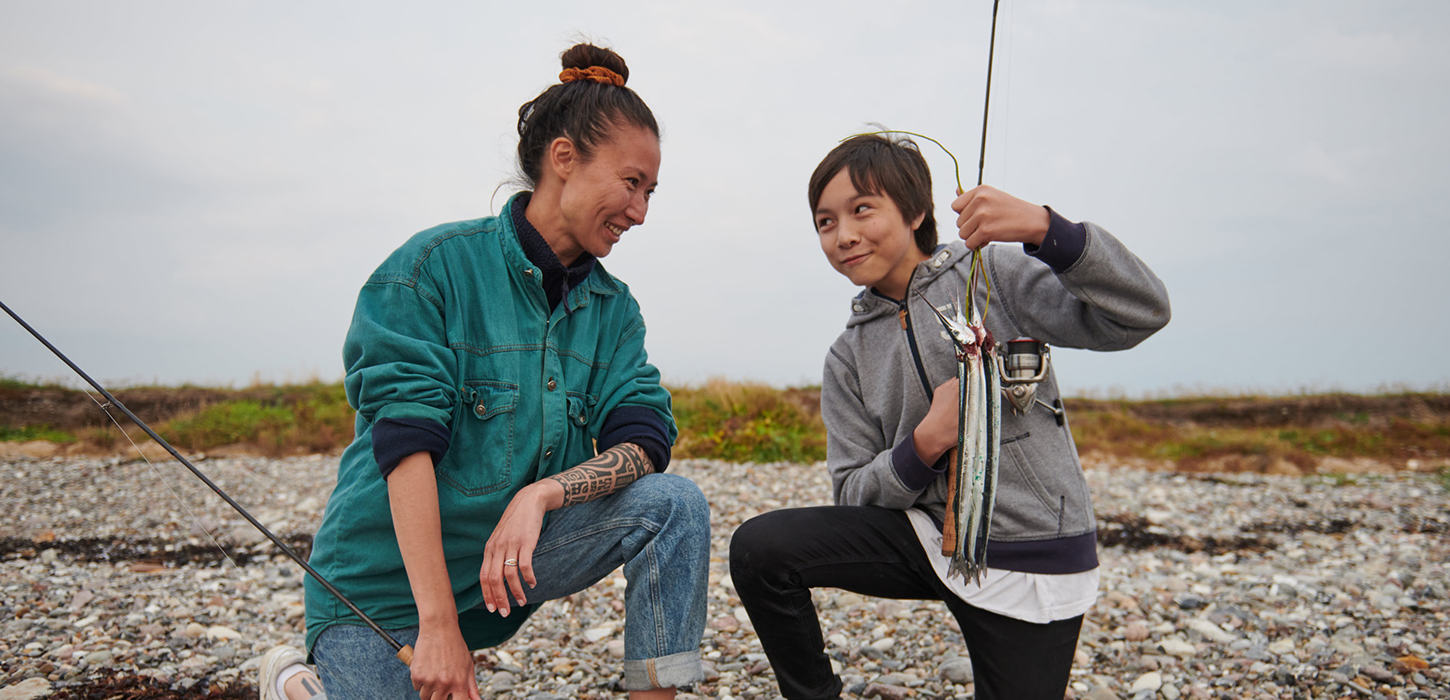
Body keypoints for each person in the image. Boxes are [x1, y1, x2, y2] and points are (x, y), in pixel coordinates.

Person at [258, 42, 709, 700]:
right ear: (564, 158)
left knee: (674, 506)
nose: (640, 211)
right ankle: (300, 686)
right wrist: (438, 627)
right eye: (631, 183)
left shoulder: (614, 310)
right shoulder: (429, 270)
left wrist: (542, 494)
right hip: (380, 589)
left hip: (504, 567)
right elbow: (407, 445)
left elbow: (644, 439)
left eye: (650, 192)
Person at [729, 133, 1171, 700]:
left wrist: (1046, 229)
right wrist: (924, 444)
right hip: (926, 539)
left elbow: (1142, 312)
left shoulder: (994, 275)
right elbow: (852, 492)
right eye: (825, 222)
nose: (844, 235)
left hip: (1028, 555)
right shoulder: (847, 357)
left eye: (862, 209)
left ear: (915, 212)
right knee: (762, 549)